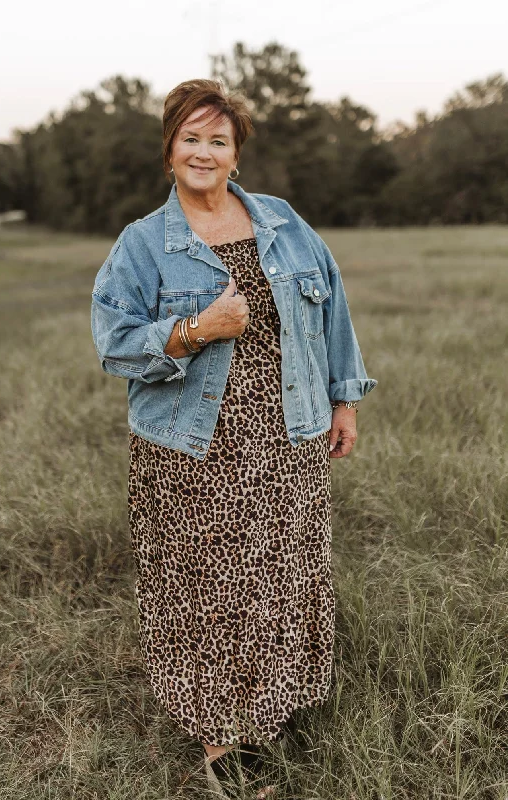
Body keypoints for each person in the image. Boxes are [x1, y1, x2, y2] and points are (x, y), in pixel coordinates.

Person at [91, 78, 377, 800]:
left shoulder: (282, 224)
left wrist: (344, 402)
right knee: (207, 590)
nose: (202, 151)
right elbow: (114, 344)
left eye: (217, 140)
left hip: (289, 436)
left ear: (235, 153)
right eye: (190, 137)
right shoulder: (143, 245)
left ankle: (267, 711)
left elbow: (332, 310)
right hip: (193, 452)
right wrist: (193, 331)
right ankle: (224, 742)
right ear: (169, 149)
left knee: (281, 576)